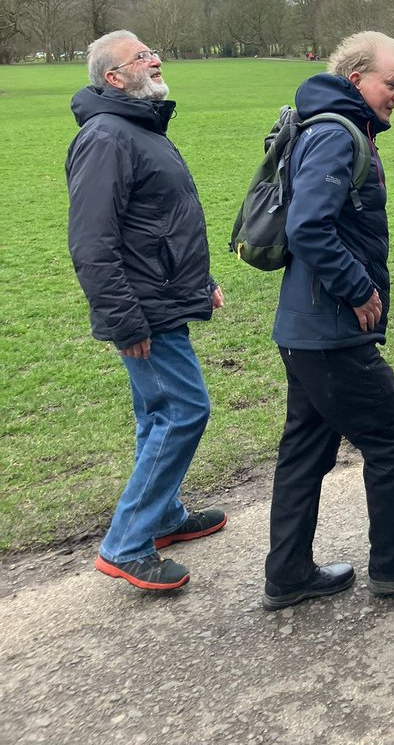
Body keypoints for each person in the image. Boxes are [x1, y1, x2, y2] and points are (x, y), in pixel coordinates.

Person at [263, 30, 394, 610]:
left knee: (304, 451)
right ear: (356, 80)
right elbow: (308, 227)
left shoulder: (329, 126)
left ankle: (289, 574)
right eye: (391, 82)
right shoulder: (335, 134)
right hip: (329, 331)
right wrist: (358, 290)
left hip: (304, 330)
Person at [66, 31, 226, 592]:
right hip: (143, 311)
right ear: (115, 77)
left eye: (153, 50)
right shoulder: (107, 136)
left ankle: (160, 517)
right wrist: (125, 321)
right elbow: (92, 242)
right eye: (142, 56)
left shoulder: (140, 127)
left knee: (158, 413)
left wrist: (200, 281)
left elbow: (164, 221)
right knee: (185, 411)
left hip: (162, 298)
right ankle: (126, 544)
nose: (156, 58)